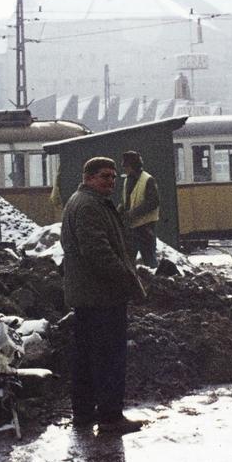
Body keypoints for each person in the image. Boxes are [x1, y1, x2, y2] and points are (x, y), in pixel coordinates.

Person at [61, 156, 148, 434]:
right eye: (103, 177)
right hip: (102, 295)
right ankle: (110, 417)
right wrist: (125, 279)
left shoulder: (83, 201)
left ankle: (84, 413)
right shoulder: (88, 206)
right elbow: (98, 251)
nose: (110, 182)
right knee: (108, 357)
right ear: (88, 178)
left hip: (89, 295)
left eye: (113, 177)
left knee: (86, 357)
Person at [120, 150, 160, 268]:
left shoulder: (148, 179)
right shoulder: (128, 180)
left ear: (132, 166)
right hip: (132, 226)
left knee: (149, 257)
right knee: (128, 258)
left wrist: (133, 213)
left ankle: (156, 282)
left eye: (126, 166)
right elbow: (125, 201)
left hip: (146, 226)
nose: (124, 169)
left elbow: (153, 202)